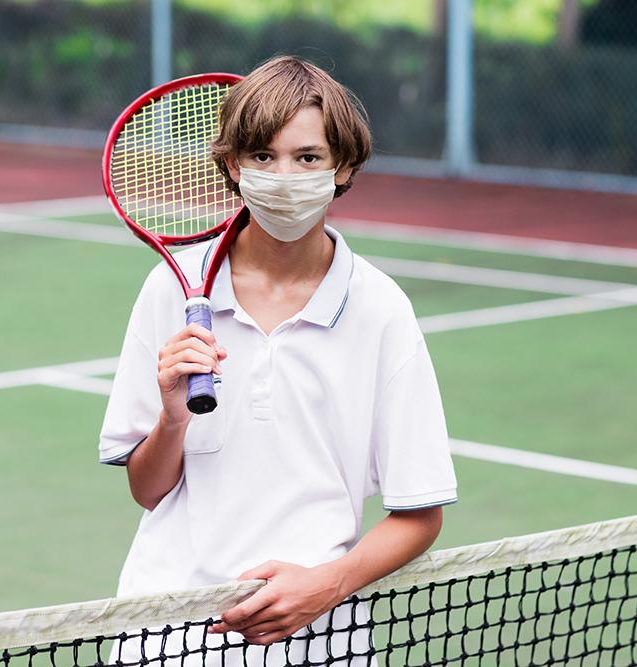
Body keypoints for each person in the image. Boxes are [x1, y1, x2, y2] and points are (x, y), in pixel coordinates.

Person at [98, 56, 457, 659]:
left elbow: (419, 513)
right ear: (233, 165)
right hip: (165, 633)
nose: (284, 176)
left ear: (342, 167)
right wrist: (173, 417)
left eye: (308, 157)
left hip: (316, 642)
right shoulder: (172, 288)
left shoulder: (380, 308)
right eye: (263, 156)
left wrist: (327, 585)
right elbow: (147, 489)